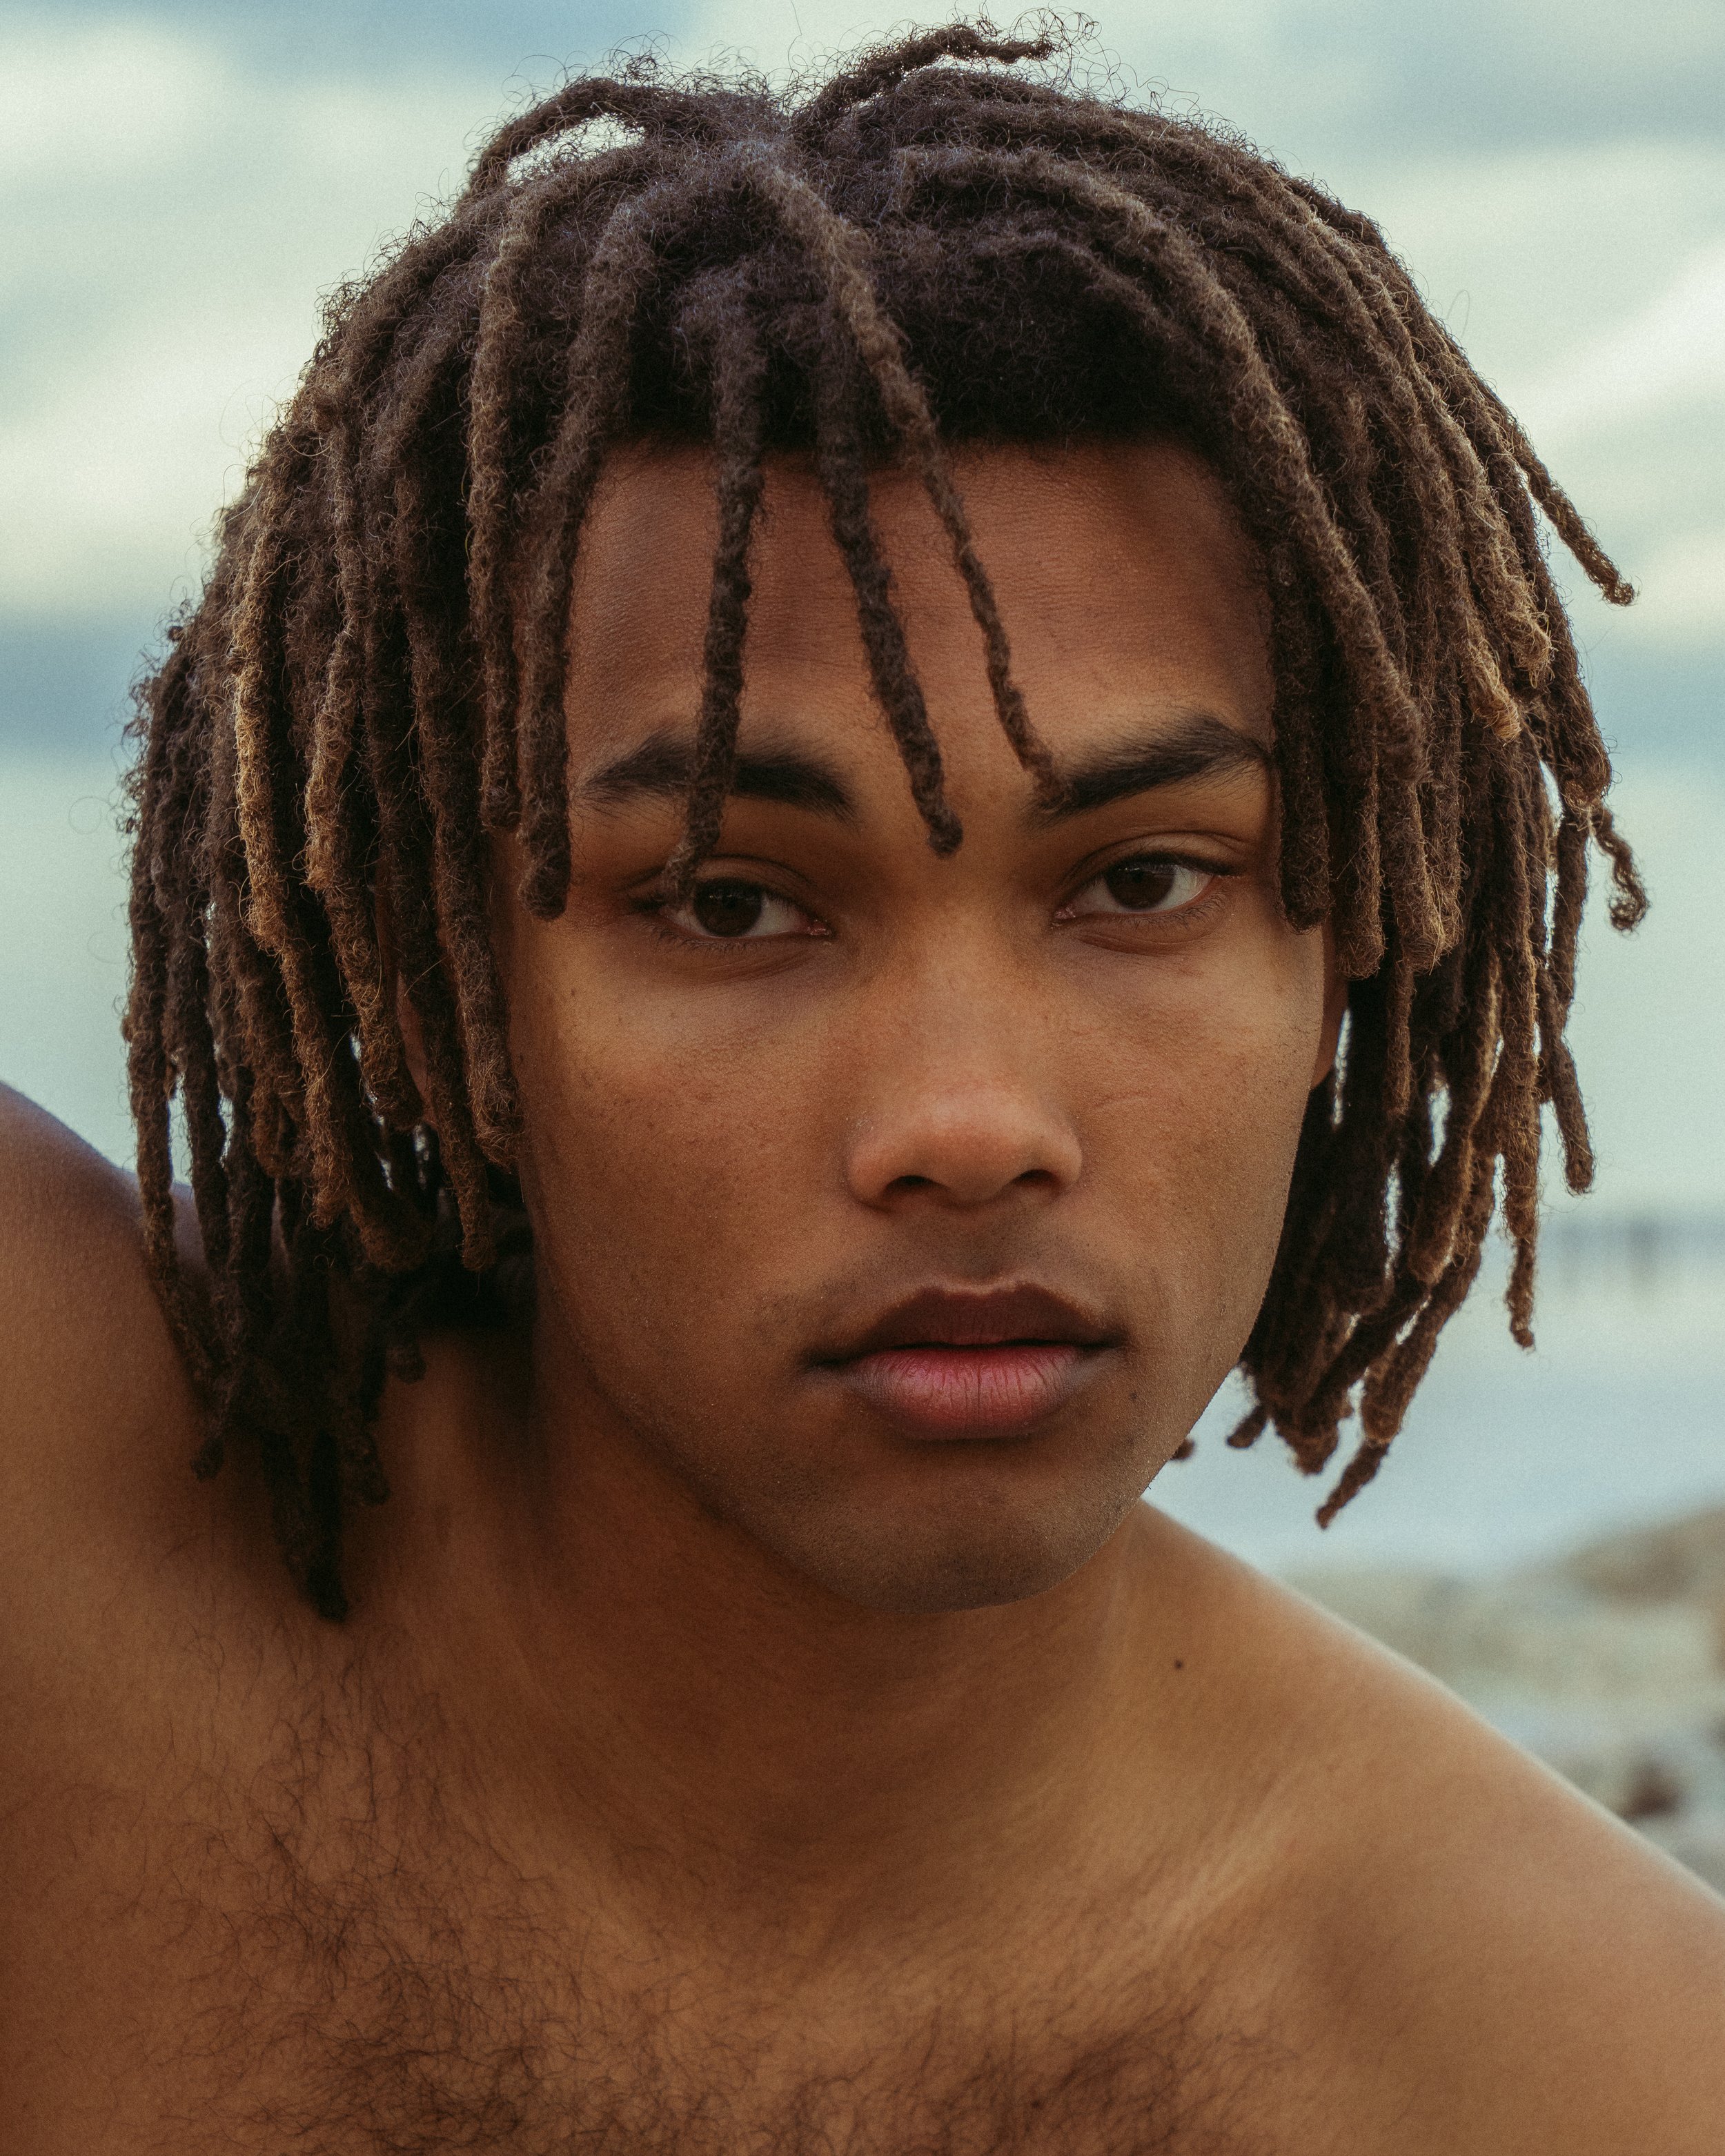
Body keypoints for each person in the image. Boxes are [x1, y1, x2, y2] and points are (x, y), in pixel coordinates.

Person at [3, 23, 1722, 2151]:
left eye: (1145, 878)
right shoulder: (49, 1541)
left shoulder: (1581, 2073)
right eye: (730, 903)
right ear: (435, 973)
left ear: (1364, 938)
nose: (969, 1122)